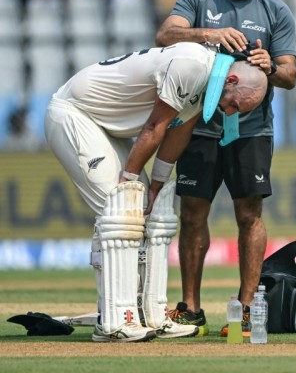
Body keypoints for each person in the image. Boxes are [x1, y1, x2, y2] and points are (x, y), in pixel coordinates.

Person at [44, 41, 268, 343]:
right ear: (232, 80)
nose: (229, 113)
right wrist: (129, 178)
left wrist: (155, 186)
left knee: (151, 213)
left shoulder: (208, 83)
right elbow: (153, 127)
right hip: (76, 114)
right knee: (121, 209)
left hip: (109, 128)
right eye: (235, 105)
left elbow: (177, 133)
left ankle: (151, 314)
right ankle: (114, 321)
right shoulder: (193, 66)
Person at [155, 0, 296, 337]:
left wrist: (271, 65)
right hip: (198, 128)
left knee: (249, 215)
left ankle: (248, 308)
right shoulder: (198, 0)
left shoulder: (275, 9)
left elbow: (290, 74)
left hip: (252, 130)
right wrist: (209, 35)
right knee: (193, 213)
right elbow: (164, 36)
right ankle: (191, 309)